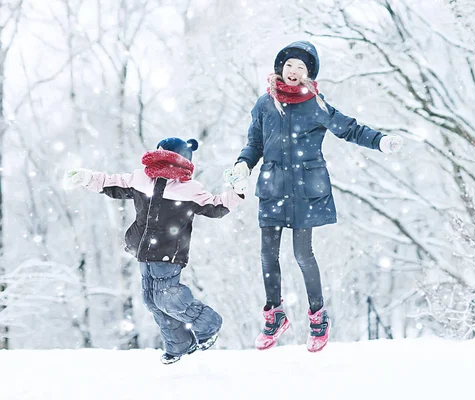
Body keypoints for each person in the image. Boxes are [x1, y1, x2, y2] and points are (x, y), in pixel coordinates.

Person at [228, 41, 402, 353]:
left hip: (305, 189)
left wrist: (380, 141)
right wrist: (243, 165)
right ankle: (274, 315)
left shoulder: (315, 104)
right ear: (281, 67)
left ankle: (318, 317)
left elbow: (349, 129)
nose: (293, 71)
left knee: (302, 254)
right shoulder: (264, 104)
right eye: (289, 65)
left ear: (308, 74)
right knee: (267, 255)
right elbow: (254, 143)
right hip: (272, 187)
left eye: (300, 67)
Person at [64, 137, 247, 364]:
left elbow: (217, 207)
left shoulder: (189, 188)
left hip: (169, 252)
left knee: (167, 297)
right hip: (143, 250)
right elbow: (112, 183)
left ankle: (208, 324)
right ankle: (179, 343)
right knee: (151, 300)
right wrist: (87, 178)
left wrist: (238, 191)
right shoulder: (141, 178)